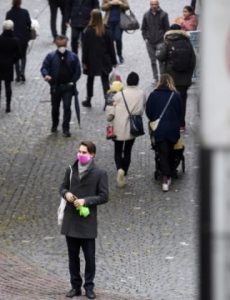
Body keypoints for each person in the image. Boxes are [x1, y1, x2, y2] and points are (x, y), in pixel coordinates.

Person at [59, 141, 108, 299]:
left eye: (84, 152)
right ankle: (75, 286)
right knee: (73, 257)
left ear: (92, 154)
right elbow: (62, 187)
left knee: (89, 258)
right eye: (79, 151)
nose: (81, 154)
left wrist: (86, 201)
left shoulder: (100, 173)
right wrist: (66, 194)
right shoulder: (70, 170)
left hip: (87, 222)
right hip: (71, 221)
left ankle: (89, 287)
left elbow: (104, 196)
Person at [106, 72, 145, 187]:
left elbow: (110, 115)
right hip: (133, 128)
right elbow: (142, 109)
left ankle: (119, 169)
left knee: (118, 150)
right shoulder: (142, 94)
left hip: (118, 128)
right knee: (128, 150)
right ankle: (125, 170)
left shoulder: (119, 95)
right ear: (137, 82)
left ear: (127, 82)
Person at [145, 74, 182, 192]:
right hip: (173, 129)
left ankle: (165, 177)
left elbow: (149, 112)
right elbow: (181, 112)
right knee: (171, 150)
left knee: (162, 152)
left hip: (159, 129)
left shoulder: (153, 95)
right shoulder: (176, 95)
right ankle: (169, 172)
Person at [157, 24, 196, 130]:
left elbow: (160, 57)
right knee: (182, 101)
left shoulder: (167, 41)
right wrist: (188, 75)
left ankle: (171, 122)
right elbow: (193, 60)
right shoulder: (187, 41)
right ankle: (181, 124)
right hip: (184, 81)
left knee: (170, 100)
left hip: (171, 78)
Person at [41, 35, 82, 137]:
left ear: (66, 44)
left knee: (67, 107)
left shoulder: (73, 56)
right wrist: (46, 75)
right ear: (56, 44)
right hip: (55, 87)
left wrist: (73, 81)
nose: (62, 46)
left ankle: (66, 128)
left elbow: (78, 71)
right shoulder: (50, 56)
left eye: (63, 44)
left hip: (68, 87)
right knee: (55, 107)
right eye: (60, 44)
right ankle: (55, 124)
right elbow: (44, 67)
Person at [81, 9, 117, 108]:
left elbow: (85, 49)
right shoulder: (106, 30)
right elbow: (111, 47)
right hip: (104, 60)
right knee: (105, 81)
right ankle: (108, 101)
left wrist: (84, 61)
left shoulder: (87, 31)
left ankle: (88, 99)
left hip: (91, 60)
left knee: (90, 80)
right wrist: (114, 61)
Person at [0, 20, 22, 113]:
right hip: (8, 63)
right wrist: (13, 60)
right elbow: (19, 54)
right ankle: (8, 105)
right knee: (8, 85)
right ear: (12, 28)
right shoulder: (15, 40)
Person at [141, 0, 169, 83]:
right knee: (152, 61)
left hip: (160, 41)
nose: (154, 6)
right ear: (150, 5)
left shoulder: (164, 14)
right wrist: (145, 38)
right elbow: (143, 28)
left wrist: (165, 40)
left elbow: (167, 28)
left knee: (161, 61)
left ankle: (162, 78)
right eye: (152, 4)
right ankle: (155, 78)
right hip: (150, 42)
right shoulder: (146, 15)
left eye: (155, 4)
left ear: (158, 5)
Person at [6, 0, 31, 82]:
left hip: (13, 38)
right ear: (20, 3)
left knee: (15, 57)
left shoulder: (9, 13)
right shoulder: (25, 12)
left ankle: (17, 75)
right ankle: (22, 72)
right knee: (23, 56)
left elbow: (7, 26)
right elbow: (29, 24)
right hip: (23, 37)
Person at [101, 0, 129, 64]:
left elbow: (127, 7)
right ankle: (111, 56)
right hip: (108, 22)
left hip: (119, 22)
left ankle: (119, 55)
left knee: (118, 39)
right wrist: (110, 3)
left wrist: (120, 3)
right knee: (109, 40)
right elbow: (102, 7)